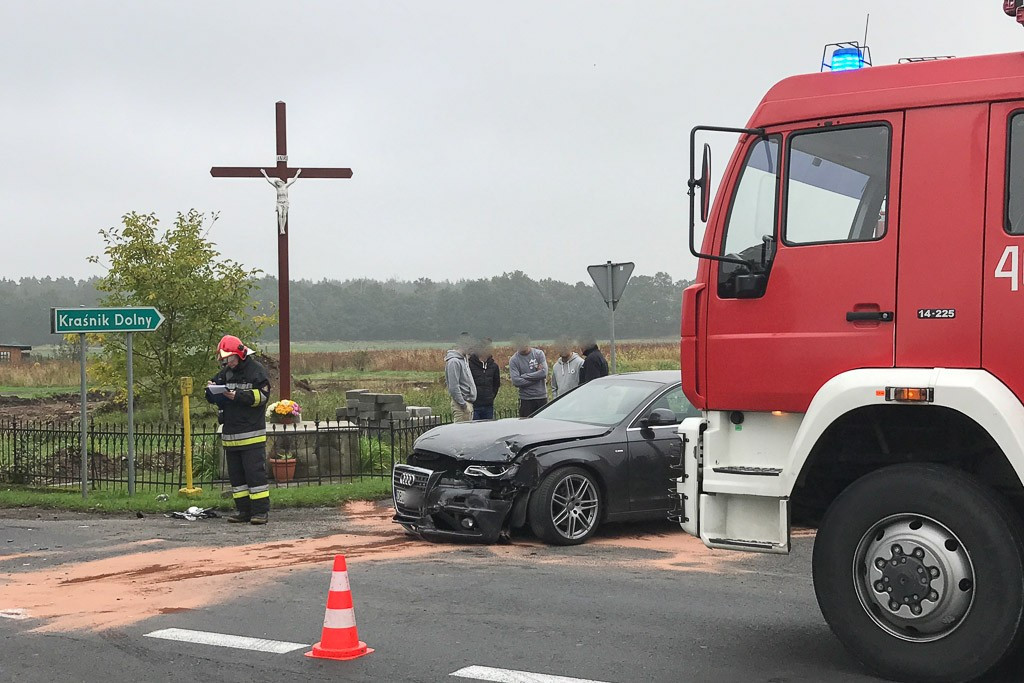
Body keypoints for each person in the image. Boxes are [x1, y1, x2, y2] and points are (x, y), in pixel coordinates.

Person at [205, 335, 272, 525]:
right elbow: (213, 395)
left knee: (255, 476)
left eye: (231, 358)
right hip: (231, 435)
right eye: (225, 359)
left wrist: (237, 396)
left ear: (240, 354)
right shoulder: (225, 373)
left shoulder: (256, 371)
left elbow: (262, 397)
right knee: (238, 480)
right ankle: (243, 510)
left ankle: (260, 513)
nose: (228, 362)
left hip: (251, 435)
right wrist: (210, 390)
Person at [509, 335, 548, 417]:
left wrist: (524, 376)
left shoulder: (539, 354)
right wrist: (537, 376)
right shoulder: (514, 360)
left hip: (541, 397)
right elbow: (516, 381)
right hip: (526, 399)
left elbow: (544, 373)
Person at [445, 333, 477, 423]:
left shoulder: (464, 360)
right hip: (462, 405)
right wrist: (463, 404)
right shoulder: (454, 362)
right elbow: (453, 387)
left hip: (468, 403)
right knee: (461, 434)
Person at [469, 338, 501, 420]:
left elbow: (496, 384)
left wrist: (491, 397)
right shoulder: (469, 365)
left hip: (488, 405)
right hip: (474, 406)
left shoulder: (494, 366)